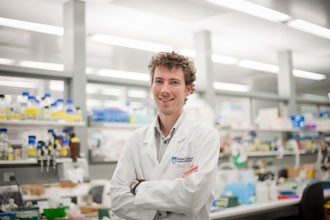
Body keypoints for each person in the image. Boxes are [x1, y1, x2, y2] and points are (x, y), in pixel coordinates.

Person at [109, 51, 220, 220]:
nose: (165, 90)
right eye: (159, 81)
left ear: (188, 89)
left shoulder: (206, 136)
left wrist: (138, 188)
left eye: (174, 82)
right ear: (151, 85)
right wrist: (173, 197)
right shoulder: (135, 139)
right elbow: (117, 199)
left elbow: (192, 198)